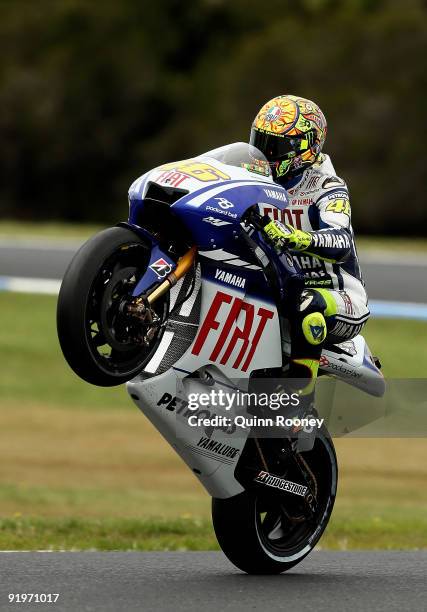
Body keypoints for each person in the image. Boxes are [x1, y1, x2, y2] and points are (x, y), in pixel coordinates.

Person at [249, 94, 369, 416]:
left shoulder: (328, 187)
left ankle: (298, 405)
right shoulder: (257, 183)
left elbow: (341, 241)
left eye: (273, 147)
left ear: (304, 147)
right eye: (259, 143)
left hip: (339, 296)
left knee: (309, 307)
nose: (265, 154)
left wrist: (294, 237)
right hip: (288, 287)